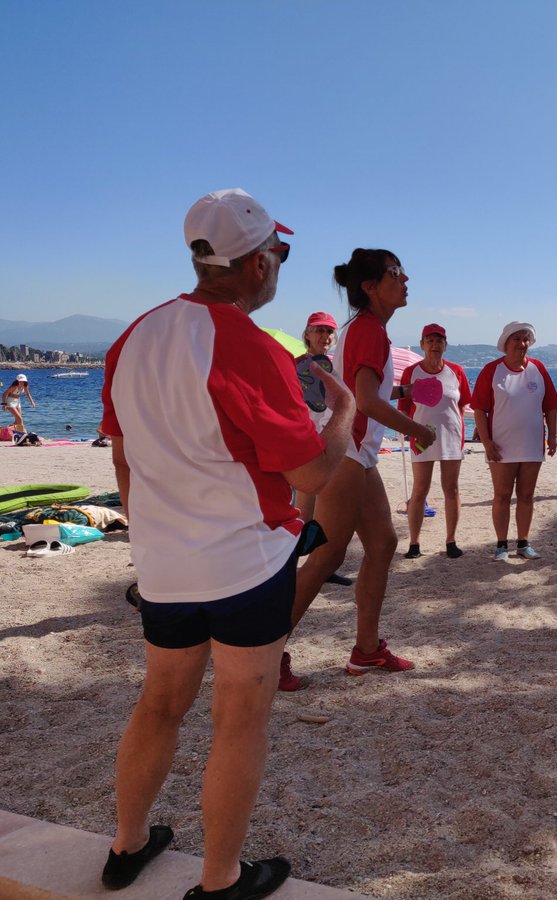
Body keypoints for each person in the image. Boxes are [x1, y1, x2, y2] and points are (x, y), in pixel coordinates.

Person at [98, 188, 353, 897]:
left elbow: (123, 459)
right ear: (255, 262)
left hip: (164, 563)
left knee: (159, 703)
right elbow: (309, 469)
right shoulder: (250, 347)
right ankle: (220, 879)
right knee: (240, 716)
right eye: (280, 253)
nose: (280, 267)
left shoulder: (133, 337)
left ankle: (125, 846)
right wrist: (344, 415)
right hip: (245, 561)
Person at [286, 249, 437, 691]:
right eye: (395, 272)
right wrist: (415, 430)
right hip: (347, 450)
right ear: (370, 286)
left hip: (357, 451)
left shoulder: (365, 329)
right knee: (327, 555)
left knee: (384, 542)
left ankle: (366, 650)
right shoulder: (369, 328)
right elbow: (367, 400)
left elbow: (366, 394)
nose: (406, 278)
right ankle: (267, 651)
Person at [473, 322, 557, 560]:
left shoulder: (539, 369)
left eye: (525, 339)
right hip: (501, 447)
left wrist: (552, 435)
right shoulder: (492, 370)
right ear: (506, 343)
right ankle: (501, 545)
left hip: (532, 445)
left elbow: (551, 406)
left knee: (526, 495)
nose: (522, 344)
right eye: (517, 339)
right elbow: (479, 409)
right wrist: (487, 442)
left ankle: (523, 543)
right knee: (502, 495)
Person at [399, 323, 472, 559]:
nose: (434, 345)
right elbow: (403, 409)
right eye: (429, 341)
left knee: (451, 489)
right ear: (422, 344)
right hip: (421, 438)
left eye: (439, 341)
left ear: (445, 345)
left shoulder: (457, 371)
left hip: (451, 437)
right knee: (420, 490)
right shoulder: (412, 372)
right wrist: (411, 432)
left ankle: (451, 540)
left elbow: (462, 405)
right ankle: (414, 543)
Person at [294, 311, 353, 588]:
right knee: (303, 513)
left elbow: (352, 399)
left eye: (329, 332)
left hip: (330, 444)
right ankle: (289, 569)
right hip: (306, 446)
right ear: (306, 334)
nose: (325, 336)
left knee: (325, 513)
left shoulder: (334, 369)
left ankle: (321, 566)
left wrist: (402, 392)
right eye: (319, 331)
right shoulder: (295, 366)